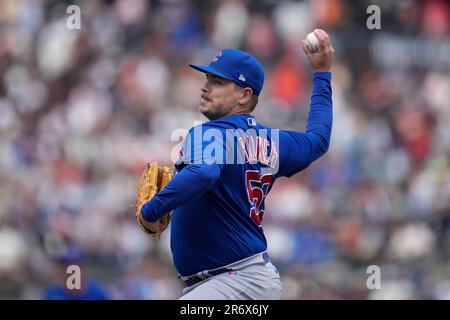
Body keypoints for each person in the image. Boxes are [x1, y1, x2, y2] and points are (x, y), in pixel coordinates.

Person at [139, 29, 334, 299]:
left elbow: (205, 171)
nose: (205, 87)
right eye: (207, 78)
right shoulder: (273, 141)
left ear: (244, 95)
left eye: (218, 81)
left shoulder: (209, 133)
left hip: (232, 281)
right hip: (247, 282)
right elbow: (318, 140)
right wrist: (322, 72)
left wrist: (152, 209)